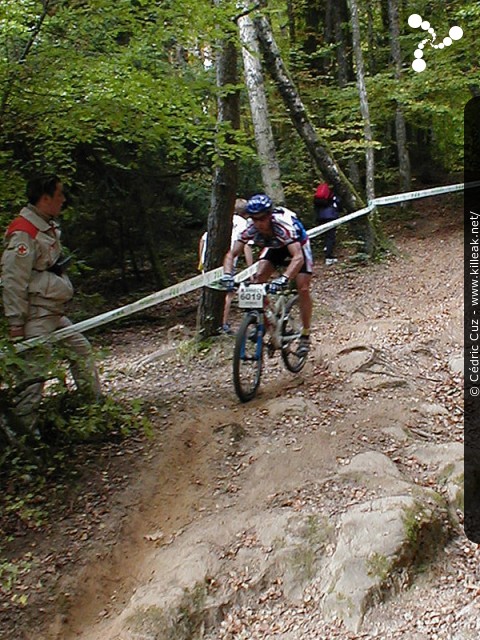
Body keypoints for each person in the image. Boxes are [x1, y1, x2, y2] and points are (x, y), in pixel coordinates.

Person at [1, 175, 102, 433]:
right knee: (33, 378)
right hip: (35, 316)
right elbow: (13, 280)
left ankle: (94, 408)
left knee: (81, 351)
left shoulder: (45, 227)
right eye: (59, 194)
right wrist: (15, 323)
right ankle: (24, 437)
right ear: (45, 198)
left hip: (53, 313)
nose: (63, 199)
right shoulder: (24, 232)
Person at [222, 194, 313, 356]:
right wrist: (228, 275)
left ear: (270, 216)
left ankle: (305, 334)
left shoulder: (283, 226)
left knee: (303, 288)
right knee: (258, 281)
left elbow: (298, 257)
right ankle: (264, 324)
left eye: (262, 218)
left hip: (297, 246)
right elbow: (231, 254)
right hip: (274, 247)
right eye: (254, 219)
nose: (259, 223)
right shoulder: (249, 229)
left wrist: (284, 278)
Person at [198, 198, 253, 334]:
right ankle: (223, 324)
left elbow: (203, 239)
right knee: (228, 293)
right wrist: (251, 269)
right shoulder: (244, 224)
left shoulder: (222, 219)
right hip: (226, 261)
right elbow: (246, 246)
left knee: (208, 291)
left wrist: (201, 261)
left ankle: (205, 325)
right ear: (246, 213)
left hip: (208, 260)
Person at [313, 182, 341, 265]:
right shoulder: (332, 196)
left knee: (325, 235)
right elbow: (339, 205)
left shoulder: (317, 198)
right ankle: (328, 256)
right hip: (331, 217)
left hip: (320, 217)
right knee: (330, 237)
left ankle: (325, 249)